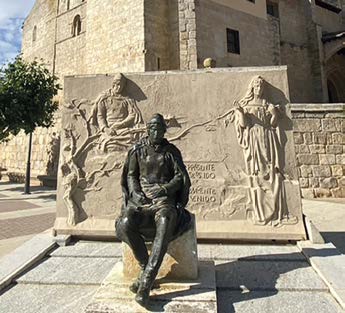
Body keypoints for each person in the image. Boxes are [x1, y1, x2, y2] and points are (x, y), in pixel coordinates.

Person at [115, 113, 191, 307]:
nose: (156, 132)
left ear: (164, 131)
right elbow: (131, 175)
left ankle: (146, 283)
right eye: (152, 128)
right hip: (141, 200)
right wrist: (136, 192)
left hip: (163, 200)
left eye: (159, 128)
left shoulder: (171, 152)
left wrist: (165, 189)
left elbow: (180, 177)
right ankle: (145, 264)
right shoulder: (137, 150)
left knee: (165, 221)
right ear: (147, 130)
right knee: (124, 223)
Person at [229, 76, 296, 226]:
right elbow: (244, 125)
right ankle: (260, 212)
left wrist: (274, 114)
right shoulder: (246, 105)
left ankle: (276, 211)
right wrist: (240, 113)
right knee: (257, 174)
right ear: (252, 88)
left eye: (261, 86)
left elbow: (273, 124)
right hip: (254, 140)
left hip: (268, 138)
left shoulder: (267, 104)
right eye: (256, 86)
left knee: (271, 173)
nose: (259, 89)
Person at [95, 73, 144, 151]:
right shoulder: (104, 99)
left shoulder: (127, 99)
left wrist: (121, 124)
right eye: (117, 84)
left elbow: (132, 114)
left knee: (131, 140)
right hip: (109, 129)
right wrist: (105, 129)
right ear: (113, 84)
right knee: (108, 144)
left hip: (123, 129)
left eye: (122, 85)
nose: (119, 87)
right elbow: (100, 116)